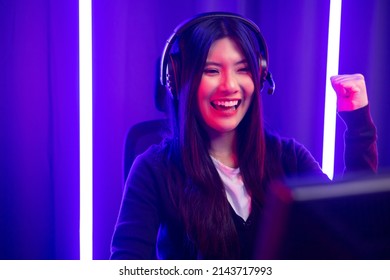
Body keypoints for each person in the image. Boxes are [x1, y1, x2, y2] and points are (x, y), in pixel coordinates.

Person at [110, 12, 377, 260]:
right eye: (211, 70)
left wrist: (358, 125)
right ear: (180, 80)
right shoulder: (153, 170)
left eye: (243, 69)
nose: (229, 86)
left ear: (260, 77)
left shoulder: (288, 158)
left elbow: (350, 233)